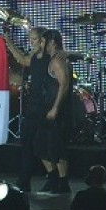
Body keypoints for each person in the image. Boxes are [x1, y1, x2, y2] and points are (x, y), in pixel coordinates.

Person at [3, 26, 48, 192]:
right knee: (27, 143)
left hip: (45, 106)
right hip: (34, 106)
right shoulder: (35, 57)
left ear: (43, 40)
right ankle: (24, 180)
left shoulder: (51, 58)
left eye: (34, 39)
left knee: (43, 145)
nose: (31, 42)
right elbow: (22, 60)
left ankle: (54, 179)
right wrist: (8, 42)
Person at [33, 29, 73, 194]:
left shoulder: (58, 60)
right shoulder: (52, 59)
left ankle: (63, 182)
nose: (41, 44)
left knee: (58, 146)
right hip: (47, 107)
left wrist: (56, 107)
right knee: (41, 144)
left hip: (56, 109)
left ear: (52, 42)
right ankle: (53, 178)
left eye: (43, 41)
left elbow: (64, 84)